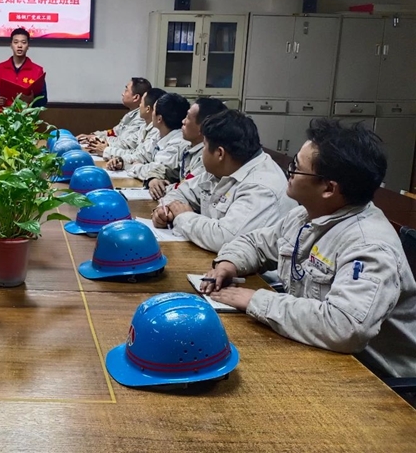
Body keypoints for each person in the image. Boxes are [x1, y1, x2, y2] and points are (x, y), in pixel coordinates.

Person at [201, 119, 416, 378]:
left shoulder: (369, 246)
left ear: (329, 188)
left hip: (375, 378)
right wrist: (229, 263)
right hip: (317, 349)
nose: (289, 172)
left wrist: (255, 300)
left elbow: (345, 326)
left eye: (296, 167)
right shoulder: (307, 216)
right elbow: (256, 243)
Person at [153, 110, 295, 252]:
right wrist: (166, 211)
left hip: (248, 265)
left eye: (204, 146)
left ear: (219, 153)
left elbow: (224, 238)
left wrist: (183, 217)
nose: (202, 152)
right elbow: (181, 192)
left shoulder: (261, 187)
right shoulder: (223, 169)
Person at [145, 97, 227, 199]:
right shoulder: (187, 147)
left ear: (202, 128)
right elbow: (166, 168)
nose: (183, 121)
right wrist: (153, 179)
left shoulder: (208, 156)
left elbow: (187, 189)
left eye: (188, 117)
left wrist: (162, 189)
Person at [125, 93, 189, 184]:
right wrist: (121, 161)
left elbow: (158, 171)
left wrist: (136, 167)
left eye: (154, 110)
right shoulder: (159, 135)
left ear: (159, 119)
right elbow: (140, 155)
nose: (152, 114)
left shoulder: (178, 143)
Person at [79, 78, 151, 156]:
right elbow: (114, 132)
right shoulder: (131, 114)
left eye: (126, 90)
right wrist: (94, 136)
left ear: (136, 97)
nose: (122, 94)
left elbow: (126, 143)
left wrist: (100, 140)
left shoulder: (141, 118)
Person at [105, 88, 165, 171]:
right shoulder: (144, 127)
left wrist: (107, 150)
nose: (139, 106)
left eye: (141, 103)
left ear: (148, 109)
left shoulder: (157, 131)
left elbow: (141, 156)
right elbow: (128, 143)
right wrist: (106, 144)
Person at [0, 28, 47, 107]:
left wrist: (32, 101)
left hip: (27, 114)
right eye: (16, 42)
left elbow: (43, 99)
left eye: (23, 42)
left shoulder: (37, 70)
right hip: (4, 113)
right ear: (11, 45)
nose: (19, 46)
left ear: (28, 46)